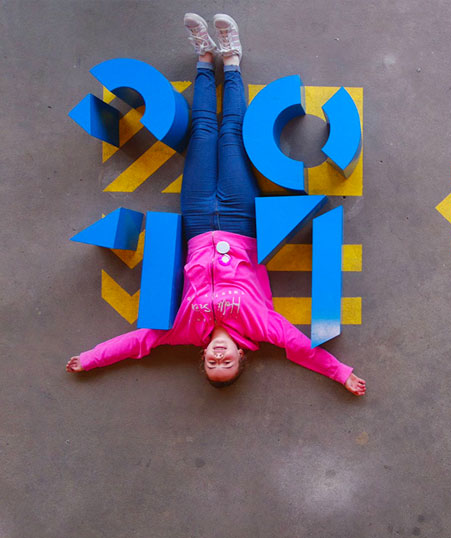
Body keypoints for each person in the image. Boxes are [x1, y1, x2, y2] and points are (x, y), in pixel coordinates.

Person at [66, 13, 366, 396]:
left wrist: (91, 358)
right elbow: (300, 348)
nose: (219, 357)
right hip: (239, 220)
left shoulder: (183, 330)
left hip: (195, 220)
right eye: (227, 363)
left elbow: (138, 343)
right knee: (232, 134)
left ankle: (204, 59)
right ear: (242, 355)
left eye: (212, 363)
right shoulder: (262, 325)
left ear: (203, 356)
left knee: (203, 132)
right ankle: (233, 59)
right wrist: (341, 373)